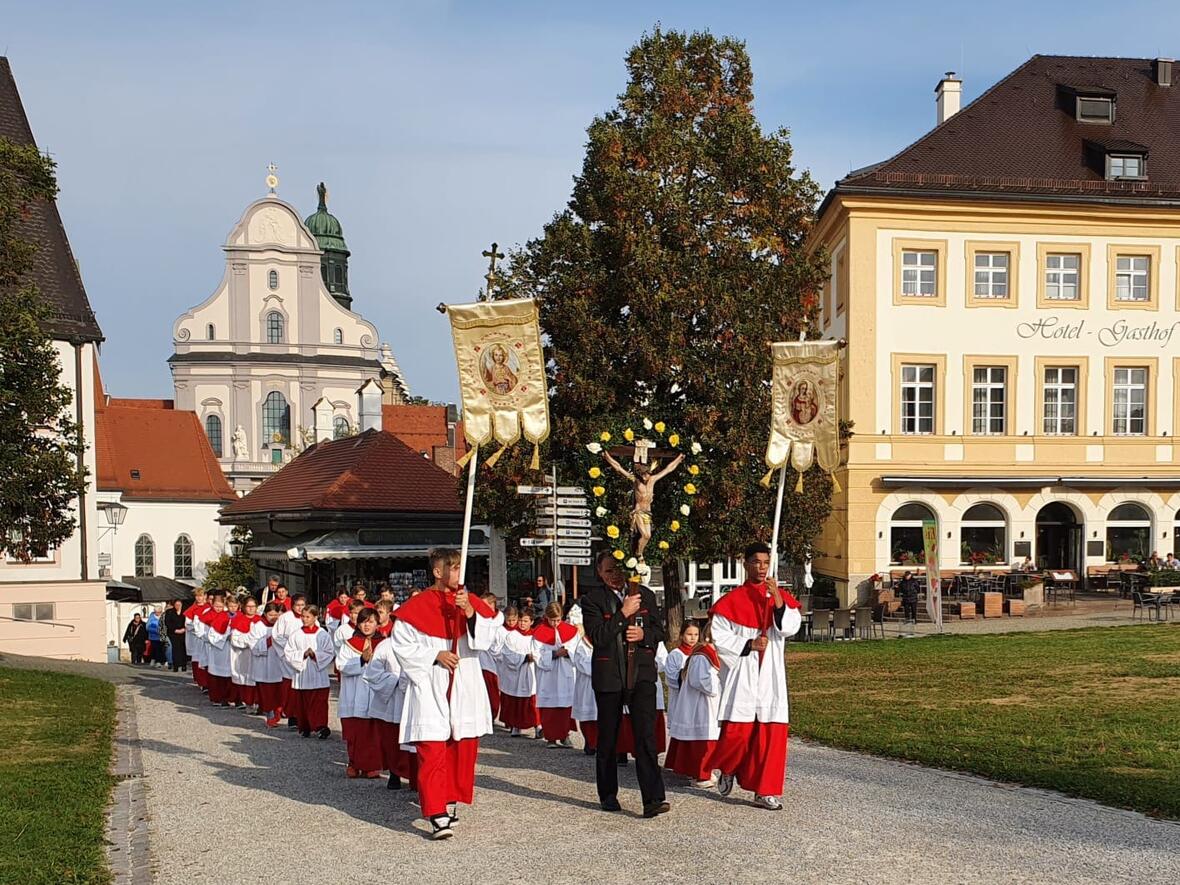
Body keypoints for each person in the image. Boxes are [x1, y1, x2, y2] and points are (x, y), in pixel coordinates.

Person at [389, 547, 498, 841]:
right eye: (453, 567)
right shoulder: (417, 607)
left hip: (464, 684)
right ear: (438, 572)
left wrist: (470, 612)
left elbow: (489, 639)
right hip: (431, 684)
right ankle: (436, 812)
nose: (458, 573)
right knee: (432, 749)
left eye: (461, 567)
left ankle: (449, 800)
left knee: (461, 749)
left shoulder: (469, 602)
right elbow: (401, 646)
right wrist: (435, 654)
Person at [709, 542, 803, 811]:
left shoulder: (778, 596)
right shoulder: (731, 601)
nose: (761, 567)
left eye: (765, 562)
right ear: (746, 564)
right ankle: (728, 767)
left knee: (770, 736)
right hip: (744, 673)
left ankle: (766, 790)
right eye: (756, 562)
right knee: (736, 734)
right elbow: (720, 635)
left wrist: (778, 600)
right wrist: (749, 644)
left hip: (770, 676)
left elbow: (789, 627)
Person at [580, 551, 668, 818]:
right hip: (609, 675)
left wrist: (644, 635)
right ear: (599, 573)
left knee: (645, 736)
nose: (614, 575)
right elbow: (597, 636)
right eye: (608, 571)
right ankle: (608, 794)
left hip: (640, 673)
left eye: (617, 569)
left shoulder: (645, 594)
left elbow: (659, 631)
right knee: (608, 737)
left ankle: (653, 798)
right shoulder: (592, 600)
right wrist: (622, 614)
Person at [364, 613, 416, 792]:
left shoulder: (418, 646)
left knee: (412, 741)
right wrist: (395, 680)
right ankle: (394, 773)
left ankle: (414, 778)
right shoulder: (385, 646)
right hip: (391, 701)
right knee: (391, 740)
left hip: (411, 699)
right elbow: (373, 673)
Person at [666, 622, 720, 788]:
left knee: (700, 737)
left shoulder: (707, 653)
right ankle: (701, 774)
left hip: (702, 703)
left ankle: (698, 770)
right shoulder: (702, 655)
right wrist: (719, 684)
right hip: (700, 704)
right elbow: (700, 680)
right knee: (702, 738)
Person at [336, 608, 384, 778]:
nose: (366, 625)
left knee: (372, 732)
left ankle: (371, 765)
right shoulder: (350, 643)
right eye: (363, 621)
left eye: (371, 621)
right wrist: (361, 660)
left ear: (377, 624)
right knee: (354, 731)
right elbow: (341, 665)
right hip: (354, 693)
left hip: (374, 693)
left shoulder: (384, 644)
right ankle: (354, 763)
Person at [283, 604, 335, 738]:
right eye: (303, 616)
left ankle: (320, 726)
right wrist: (303, 654)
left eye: (308, 617)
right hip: (302, 674)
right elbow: (288, 652)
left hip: (318, 673)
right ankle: (305, 726)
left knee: (319, 702)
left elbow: (330, 652)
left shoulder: (322, 634)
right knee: (303, 702)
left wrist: (316, 655)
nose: (305, 619)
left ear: (315, 617)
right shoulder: (296, 634)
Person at [533, 602, 578, 749]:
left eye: (558, 620)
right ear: (546, 617)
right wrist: (553, 654)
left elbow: (577, 650)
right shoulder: (539, 632)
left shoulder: (570, 631)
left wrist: (568, 652)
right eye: (553, 620)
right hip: (549, 675)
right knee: (549, 707)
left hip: (565, 672)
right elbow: (536, 654)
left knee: (565, 706)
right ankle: (551, 737)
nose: (556, 623)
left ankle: (565, 735)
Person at [662, 622, 700, 773]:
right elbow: (670, 677)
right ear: (682, 635)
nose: (692, 638)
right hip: (680, 699)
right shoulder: (675, 655)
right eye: (689, 634)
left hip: (695, 699)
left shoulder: (700, 654)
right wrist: (688, 676)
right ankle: (679, 763)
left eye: (696, 635)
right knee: (681, 732)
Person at [498, 608, 540, 738]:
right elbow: (507, 653)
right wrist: (523, 658)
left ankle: (538, 726)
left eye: (526, 621)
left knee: (532, 701)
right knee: (515, 699)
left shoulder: (536, 636)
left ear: (531, 622)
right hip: (516, 673)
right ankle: (516, 725)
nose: (522, 623)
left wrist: (535, 657)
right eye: (521, 620)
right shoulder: (512, 636)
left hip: (531, 672)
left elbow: (542, 651)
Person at [272, 594, 305, 728]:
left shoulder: (309, 616)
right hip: (289, 656)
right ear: (292, 605)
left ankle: (302, 715)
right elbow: (277, 636)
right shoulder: (285, 618)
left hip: (304, 657)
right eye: (298, 605)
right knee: (290, 685)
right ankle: (291, 714)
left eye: (302, 605)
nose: (300, 608)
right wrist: (290, 648)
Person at [252, 603, 285, 727]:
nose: (273, 617)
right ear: (265, 614)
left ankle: (279, 710)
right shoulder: (258, 626)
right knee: (267, 691)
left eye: (276, 614)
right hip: (265, 663)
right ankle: (269, 713)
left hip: (279, 662)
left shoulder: (282, 626)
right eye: (271, 614)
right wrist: (269, 641)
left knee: (280, 689)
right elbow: (253, 645)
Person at [202, 593, 234, 706]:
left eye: (221, 606)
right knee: (217, 674)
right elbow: (208, 634)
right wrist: (225, 638)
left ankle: (229, 697)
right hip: (215, 649)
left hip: (230, 649)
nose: (219, 609)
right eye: (216, 606)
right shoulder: (207, 615)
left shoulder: (228, 615)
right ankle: (217, 697)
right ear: (212, 604)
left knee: (229, 674)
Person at [230, 597, 261, 713]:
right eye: (249, 606)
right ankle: (248, 703)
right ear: (244, 607)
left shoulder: (260, 621)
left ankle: (258, 703)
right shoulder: (239, 620)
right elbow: (235, 639)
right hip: (244, 654)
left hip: (258, 655)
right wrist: (249, 641)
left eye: (253, 607)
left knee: (258, 678)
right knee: (246, 678)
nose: (251, 609)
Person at [477, 592, 503, 723]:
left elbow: (497, 647)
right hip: (480, 662)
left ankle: (491, 716)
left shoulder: (499, 623)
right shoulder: (480, 619)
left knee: (492, 693)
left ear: (492, 606)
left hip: (492, 664)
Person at [571, 629, 597, 756]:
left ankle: (600, 743)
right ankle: (590, 741)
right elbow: (581, 662)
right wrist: (600, 667)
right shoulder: (583, 644)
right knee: (588, 716)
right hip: (587, 685)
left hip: (606, 682)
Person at [164, 599, 188, 672]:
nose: (178, 606)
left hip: (184, 632)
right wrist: (175, 630)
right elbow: (167, 623)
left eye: (179, 605)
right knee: (175, 649)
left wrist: (184, 629)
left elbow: (188, 621)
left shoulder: (185, 612)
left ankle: (184, 665)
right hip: (173, 633)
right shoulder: (169, 612)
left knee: (183, 649)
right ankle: (176, 666)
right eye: (176, 605)